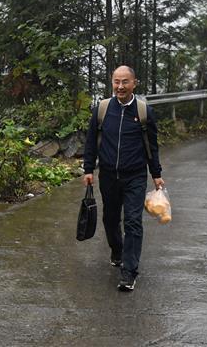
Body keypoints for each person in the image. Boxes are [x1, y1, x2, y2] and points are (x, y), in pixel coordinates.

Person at [83, 65, 165, 291]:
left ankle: (129, 271)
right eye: (116, 81)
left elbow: (152, 147)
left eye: (125, 82)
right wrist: (88, 169)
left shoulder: (144, 112)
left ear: (134, 83)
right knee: (110, 220)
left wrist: (156, 174)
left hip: (135, 176)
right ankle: (117, 251)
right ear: (112, 82)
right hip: (108, 175)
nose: (120, 86)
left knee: (133, 221)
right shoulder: (102, 109)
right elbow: (91, 141)